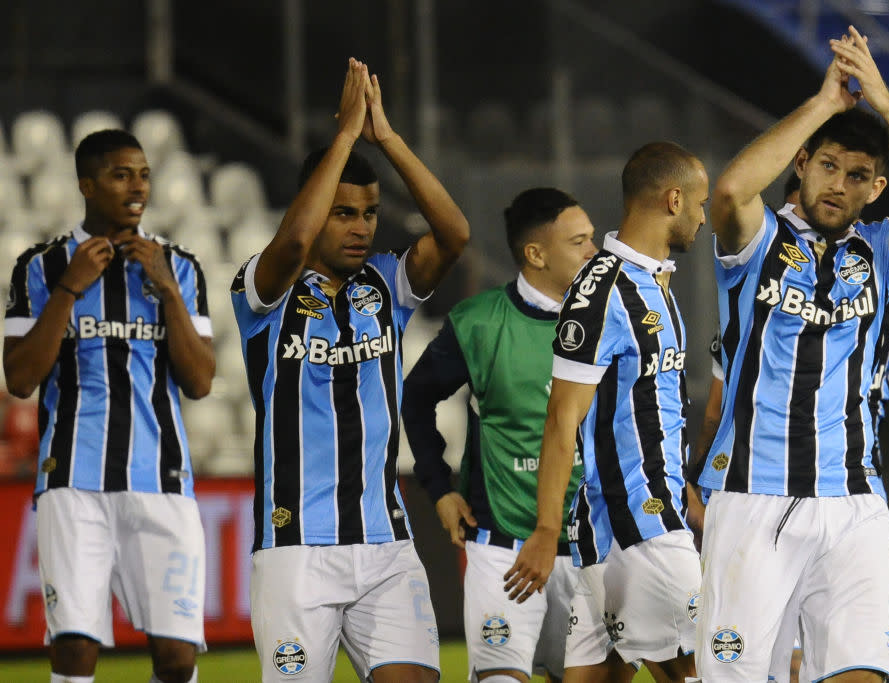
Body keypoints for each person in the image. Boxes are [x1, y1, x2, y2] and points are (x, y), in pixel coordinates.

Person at [697, 26, 889, 682]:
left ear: (876, 188)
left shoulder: (882, 254)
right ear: (801, 163)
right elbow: (732, 192)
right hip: (753, 497)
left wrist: (884, 99)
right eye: (826, 165)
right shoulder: (756, 245)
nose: (837, 185)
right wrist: (825, 104)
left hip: (854, 503)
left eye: (856, 176)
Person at [230, 58, 469, 683]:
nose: (361, 228)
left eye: (368, 213)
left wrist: (384, 138)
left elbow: (454, 233)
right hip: (295, 550)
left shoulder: (385, 284)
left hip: (385, 542)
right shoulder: (264, 290)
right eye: (343, 213)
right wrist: (341, 136)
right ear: (312, 209)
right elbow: (291, 243)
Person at [3, 129, 215, 683]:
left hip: (162, 480)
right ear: (87, 185)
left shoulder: (182, 267)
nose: (137, 186)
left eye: (143, 173)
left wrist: (167, 290)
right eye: (122, 175)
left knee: (176, 658)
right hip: (73, 480)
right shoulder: (41, 267)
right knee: (74, 647)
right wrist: (70, 289)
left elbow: (199, 382)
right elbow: (21, 378)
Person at [504, 142, 709, 683]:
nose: (704, 217)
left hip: (627, 525)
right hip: (638, 527)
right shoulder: (605, 292)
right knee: (708, 668)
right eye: (699, 202)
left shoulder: (653, 283)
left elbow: (647, 407)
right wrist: (547, 528)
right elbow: (560, 418)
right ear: (673, 198)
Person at [403, 187, 597, 683]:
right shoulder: (479, 323)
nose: (594, 253)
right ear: (535, 254)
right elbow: (416, 399)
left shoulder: (612, 320)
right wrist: (440, 489)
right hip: (501, 548)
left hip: (592, 550)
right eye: (579, 243)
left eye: (591, 239)